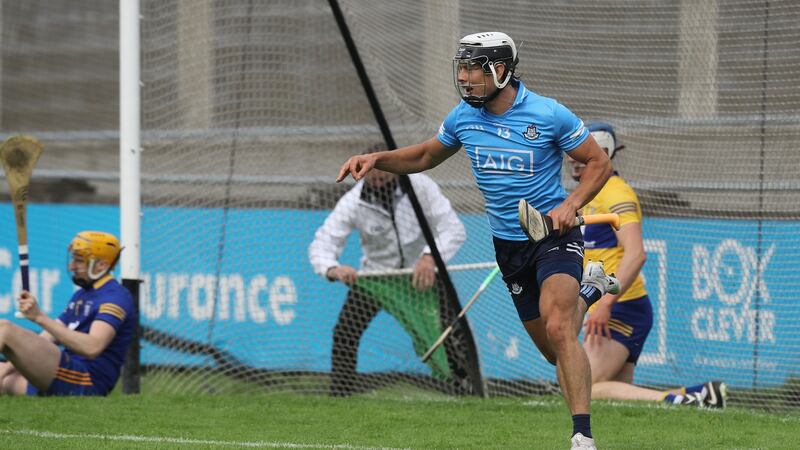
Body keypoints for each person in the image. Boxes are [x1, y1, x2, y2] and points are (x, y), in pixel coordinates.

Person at [337, 32, 617, 449]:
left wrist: (571, 202)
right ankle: (590, 288)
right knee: (554, 351)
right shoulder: (462, 119)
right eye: (462, 69)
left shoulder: (548, 114)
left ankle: (582, 436)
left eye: (474, 69)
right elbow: (424, 157)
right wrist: (379, 159)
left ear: (501, 71)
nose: (464, 78)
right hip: (509, 245)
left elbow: (598, 162)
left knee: (560, 328)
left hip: (553, 235)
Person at [573, 122, 727, 409]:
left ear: (602, 152)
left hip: (620, 307)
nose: (572, 158)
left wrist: (605, 303)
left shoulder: (616, 194)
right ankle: (699, 396)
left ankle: (682, 398)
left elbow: (636, 254)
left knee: (585, 387)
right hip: (610, 307)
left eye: (580, 151)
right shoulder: (587, 195)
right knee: (616, 399)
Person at [310, 143, 476, 397]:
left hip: (422, 276)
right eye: (370, 169)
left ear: (394, 164)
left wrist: (429, 258)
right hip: (377, 280)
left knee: (449, 334)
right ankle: (340, 394)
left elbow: (453, 229)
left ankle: (467, 389)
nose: (376, 175)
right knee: (344, 332)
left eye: (382, 167)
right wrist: (332, 267)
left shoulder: (421, 187)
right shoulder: (352, 202)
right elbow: (324, 242)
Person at [0, 231, 136, 396]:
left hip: (86, 379)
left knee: (4, 329)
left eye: (79, 261)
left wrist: (39, 317)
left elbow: (93, 347)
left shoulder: (115, 297)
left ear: (102, 265)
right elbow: (47, 337)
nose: (72, 266)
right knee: (4, 377)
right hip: (65, 374)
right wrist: (7, 367)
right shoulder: (82, 294)